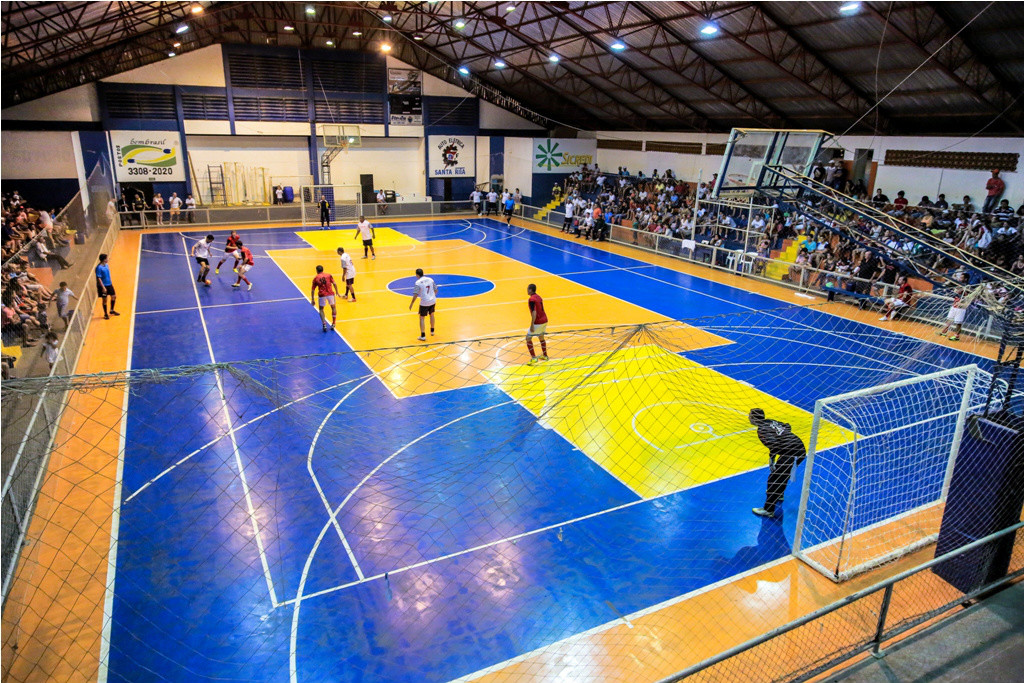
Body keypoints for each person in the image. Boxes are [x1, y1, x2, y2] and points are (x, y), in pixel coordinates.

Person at [749, 408, 806, 518]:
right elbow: (787, 426)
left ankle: (768, 509)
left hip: (791, 452)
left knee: (774, 480)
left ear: (753, 418)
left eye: (749, 415)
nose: (748, 417)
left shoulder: (761, 430)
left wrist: (771, 460)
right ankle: (779, 494)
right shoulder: (770, 421)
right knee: (782, 475)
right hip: (796, 447)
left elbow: (774, 445)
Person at [408, 267, 438, 341]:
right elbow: (436, 289)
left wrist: (411, 303)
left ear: (417, 275)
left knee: (422, 318)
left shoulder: (418, 283)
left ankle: (423, 335)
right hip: (433, 300)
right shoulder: (430, 279)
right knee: (432, 314)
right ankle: (432, 331)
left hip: (424, 302)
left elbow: (415, 294)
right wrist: (432, 297)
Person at [310, 264, 339, 332]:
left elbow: (313, 290)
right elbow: (334, 283)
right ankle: (334, 323)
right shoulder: (329, 275)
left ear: (317, 270)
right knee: (333, 307)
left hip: (322, 295)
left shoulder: (315, 278)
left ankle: (324, 324)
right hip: (330, 294)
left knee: (321, 309)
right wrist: (337, 292)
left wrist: (313, 299)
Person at [525, 283, 548, 365]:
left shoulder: (531, 299)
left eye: (528, 289)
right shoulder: (539, 297)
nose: (527, 290)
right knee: (541, 337)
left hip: (538, 321)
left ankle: (534, 358)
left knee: (528, 338)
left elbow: (534, 312)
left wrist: (532, 324)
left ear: (530, 290)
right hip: (545, 320)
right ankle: (545, 356)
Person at [96, 253, 118, 319]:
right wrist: (103, 287)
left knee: (114, 296)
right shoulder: (99, 268)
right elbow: (99, 278)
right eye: (106, 258)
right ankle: (105, 314)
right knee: (104, 300)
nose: (107, 259)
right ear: (103, 260)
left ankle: (111, 310)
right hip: (103, 286)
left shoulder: (106, 265)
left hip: (109, 284)